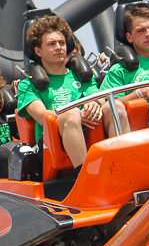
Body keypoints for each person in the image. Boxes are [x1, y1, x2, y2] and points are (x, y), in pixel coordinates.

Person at [17, 15, 129, 168]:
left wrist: (94, 104)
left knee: (116, 106)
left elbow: (98, 97)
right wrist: (77, 114)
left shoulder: (80, 75)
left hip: (87, 127)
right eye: (51, 44)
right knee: (71, 114)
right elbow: (42, 116)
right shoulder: (27, 84)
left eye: (62, 43)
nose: (58, 47)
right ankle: (85, 175)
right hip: (51, 140)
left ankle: (125, 165)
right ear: (38, 51)